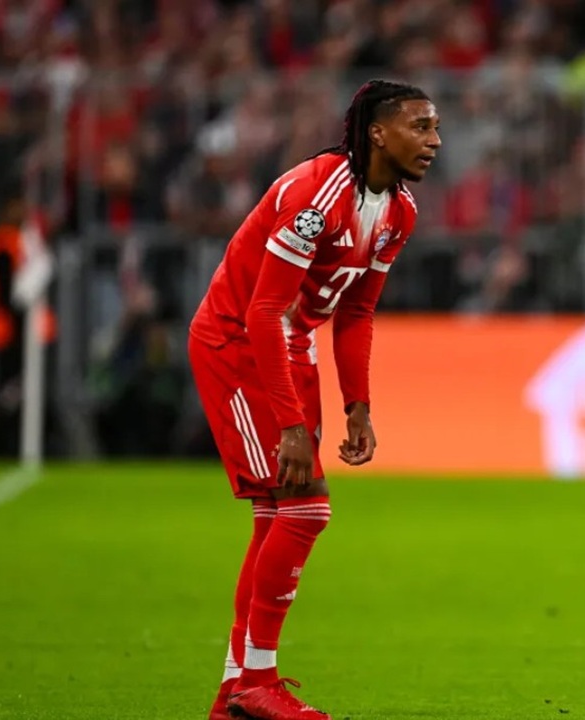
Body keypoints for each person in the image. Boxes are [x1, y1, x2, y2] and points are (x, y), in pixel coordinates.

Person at [188, 79, 441, 720]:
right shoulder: (315, 194)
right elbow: (263, 309)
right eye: (421, 127)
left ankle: (236, 693)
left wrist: (358, 404)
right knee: (304, 510)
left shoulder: (399, 212)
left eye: (435, 128)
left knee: (280, 517)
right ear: (378, 132)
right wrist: (291, 424)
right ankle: (258, 681)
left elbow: (356, 313)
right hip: (237, 342)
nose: (435, 141)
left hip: (287, 345)